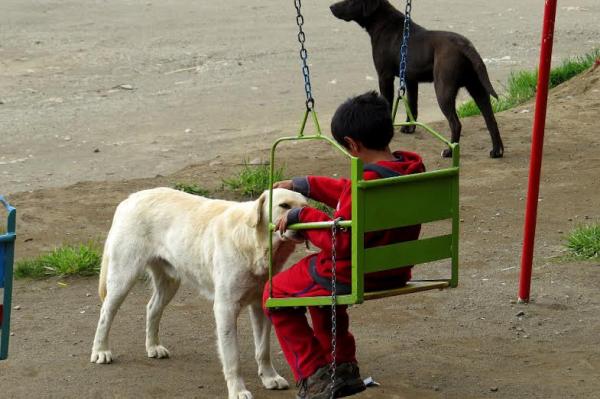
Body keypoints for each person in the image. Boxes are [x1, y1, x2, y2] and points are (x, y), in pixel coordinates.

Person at [263, 91, 425, 399]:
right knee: (320, 294)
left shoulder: (363, 184)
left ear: (352, 144)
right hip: (393, 268)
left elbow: (340, 242)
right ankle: (342, 367)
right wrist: (306, 184)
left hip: (355, 271)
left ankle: (314, 374)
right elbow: (350, 190)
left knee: (274, 293)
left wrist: (304, 215)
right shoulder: (409, 171)